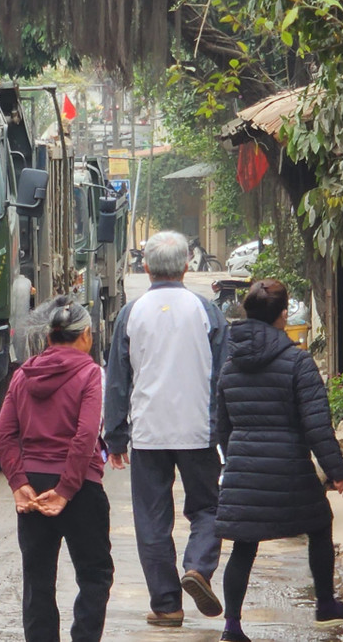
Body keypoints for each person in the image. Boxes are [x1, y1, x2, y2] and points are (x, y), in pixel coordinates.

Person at [213, 279, 343, 642]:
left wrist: (237, 460)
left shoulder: (231, 366)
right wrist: (337, 471)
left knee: (243, 545)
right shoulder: (298, 361)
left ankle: (232, 626)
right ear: (282, 317)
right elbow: (316, 425)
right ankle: (325, 604)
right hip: (290, 470)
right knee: (320, 524)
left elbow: (222, 426)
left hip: (244, 470)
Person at [103, 230, 228, 627]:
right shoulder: (206, 311)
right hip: (199, 430)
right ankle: (198, 568)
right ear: (188, 265)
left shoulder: (131, 313)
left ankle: (167, 605)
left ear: (146, 267)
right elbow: (225, 376)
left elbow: (118, 380)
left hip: (148, 433)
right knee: (208, 507)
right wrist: (228, 432)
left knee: (152, 519)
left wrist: (115, 437)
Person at [0, 296, 114, 642]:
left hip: (33, 488)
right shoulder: (90, 373)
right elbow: (87, 434)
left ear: (49, 338)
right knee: (94, 574)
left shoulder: (23, 374)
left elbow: (4, 434)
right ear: (86, 336)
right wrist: (65, 489)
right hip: (80, 490)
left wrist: (19, 482)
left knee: (38, 579)